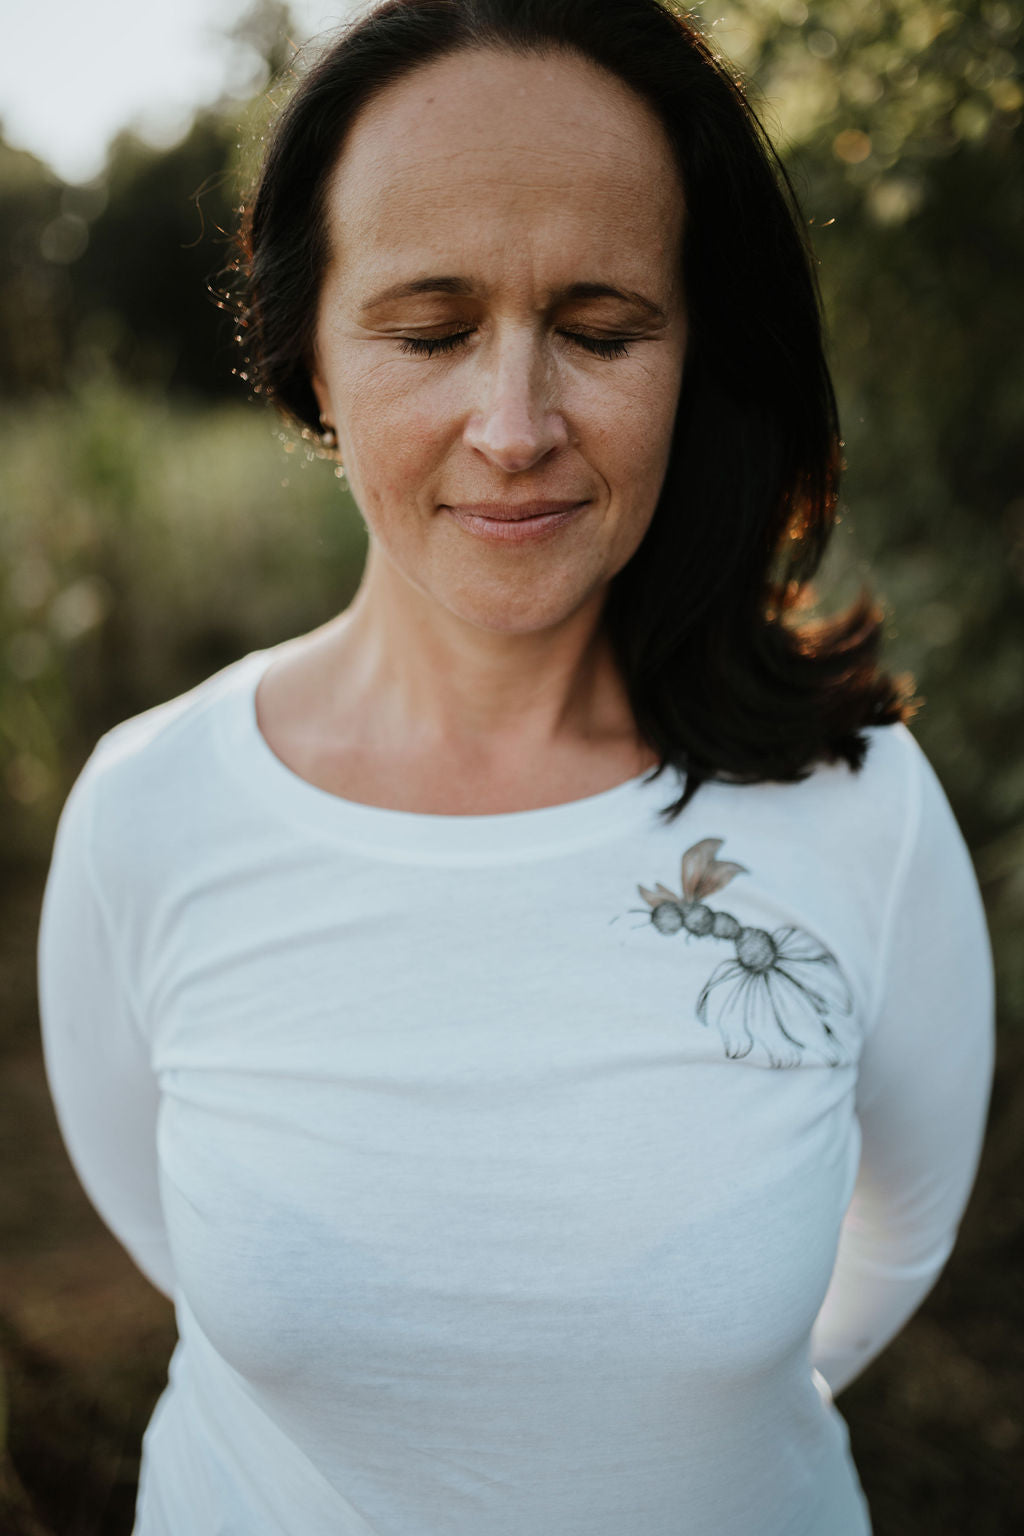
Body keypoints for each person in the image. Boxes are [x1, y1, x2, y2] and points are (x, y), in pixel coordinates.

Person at [37, 1, 995, 1533]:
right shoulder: (149, 813)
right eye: (429, 333)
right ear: (310, 358)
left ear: (695, 350)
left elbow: (896, 1238)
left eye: (605, 331)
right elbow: (164, 1230)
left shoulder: (855, 803)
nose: (515, 425)